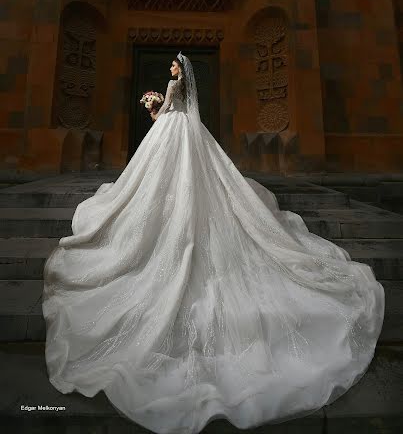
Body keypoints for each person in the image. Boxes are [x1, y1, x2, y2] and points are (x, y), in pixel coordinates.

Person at [42, 51, 385, 434]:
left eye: (174, 66)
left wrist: (153, 108)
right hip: (186, 134)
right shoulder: (187, 96)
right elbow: (182, 110)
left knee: (164, 183)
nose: (172, 70)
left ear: (178, 72)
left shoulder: (173, 88)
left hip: (170, 134)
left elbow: (164, 113)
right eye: (172, 66)